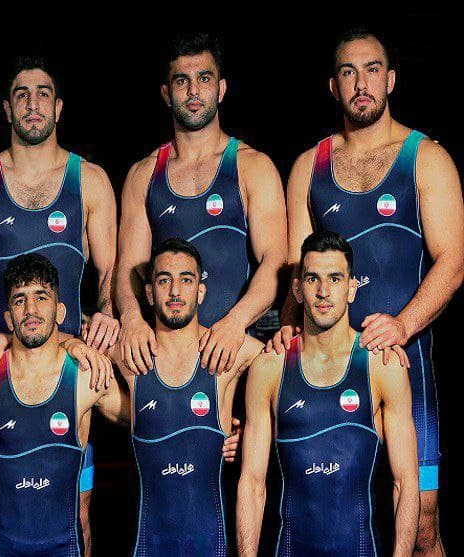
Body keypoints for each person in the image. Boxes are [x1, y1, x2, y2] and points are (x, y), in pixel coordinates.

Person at [269, 29, 462, 554]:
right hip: (324, 371)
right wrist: (286, 328)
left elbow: (452, 263)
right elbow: (295, 272)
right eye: (349, 72)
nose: (361, 83)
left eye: (372, 69)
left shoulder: (426, 157)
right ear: (334, 86)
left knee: (419, 525)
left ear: (391, 79)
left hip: (402, 364)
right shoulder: (309, 166)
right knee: (331, 516)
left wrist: (403, 325)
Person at [0, 56, 118, 554]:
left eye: (42, 94)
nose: (33, 104)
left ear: (59, 107)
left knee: (75, 515)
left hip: (66, 367)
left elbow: (112, 269)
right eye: (21, 95)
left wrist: (105, 312)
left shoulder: (90, 180)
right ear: (7, 109)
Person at [239, 231, 419, 556]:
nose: (323, 291)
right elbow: (252, 483)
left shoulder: (382, 364)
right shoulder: (270, 366)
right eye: (313, 279)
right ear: (298, 289)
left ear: (351, 288)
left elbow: (405, 482)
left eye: (335, 279)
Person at [116, 32, 286, 376]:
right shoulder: (143, 174)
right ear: (167, 93)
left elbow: (275, 262)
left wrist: (235, 323)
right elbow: (128, 268)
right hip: (169, 356)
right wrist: (132, 319)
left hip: (236, 347)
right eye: (182, 81)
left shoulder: (252, 166)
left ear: (220, 89)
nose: (194, 91)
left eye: (204, 79)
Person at [0, 253, 128, 557]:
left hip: (65, 549)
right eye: (20, 300)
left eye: (41, 297)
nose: (30, 309)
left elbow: (148, 422)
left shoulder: (88, 376)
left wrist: (112, 348)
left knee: (82, 520)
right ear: (8, 318)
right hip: (5, 549)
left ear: (60, 311)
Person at [111, 238, 262, 555]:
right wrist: (74, 344)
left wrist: (253, 435)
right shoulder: (127, 354)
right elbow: (55, 356)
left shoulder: (233, 352)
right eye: (164, 280)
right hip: (147, 544)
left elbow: (295, 378)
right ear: (149, 293)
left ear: (201, 292)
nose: (175, 292)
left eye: (186, 280)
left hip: (213, 544)